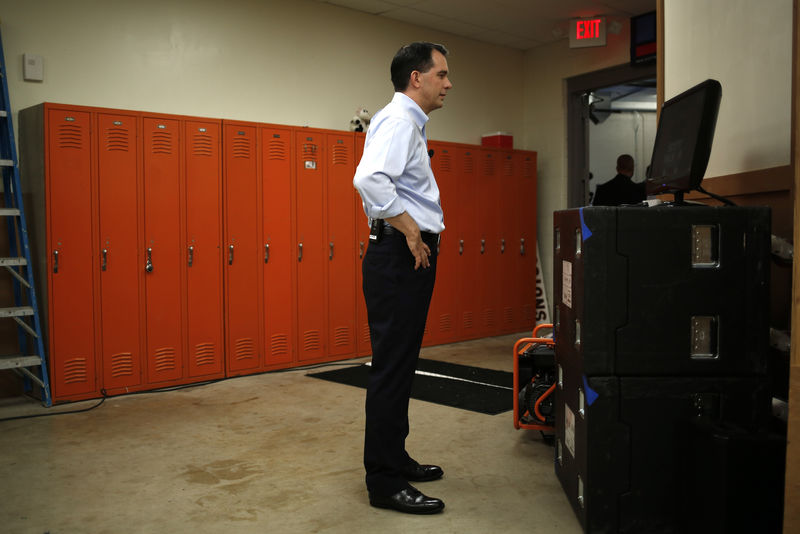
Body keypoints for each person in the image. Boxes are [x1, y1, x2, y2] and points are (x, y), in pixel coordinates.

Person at [352, 42, 452, 515]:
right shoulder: (397, 121)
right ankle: (384, 482)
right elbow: (370, 180)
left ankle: (395, 457)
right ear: (417, 77)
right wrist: (412, 230)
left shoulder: (404, 122)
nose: (448, 84)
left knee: (401, 362)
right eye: (441, 75)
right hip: (400, 255)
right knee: (392, 368)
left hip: (401, 253)